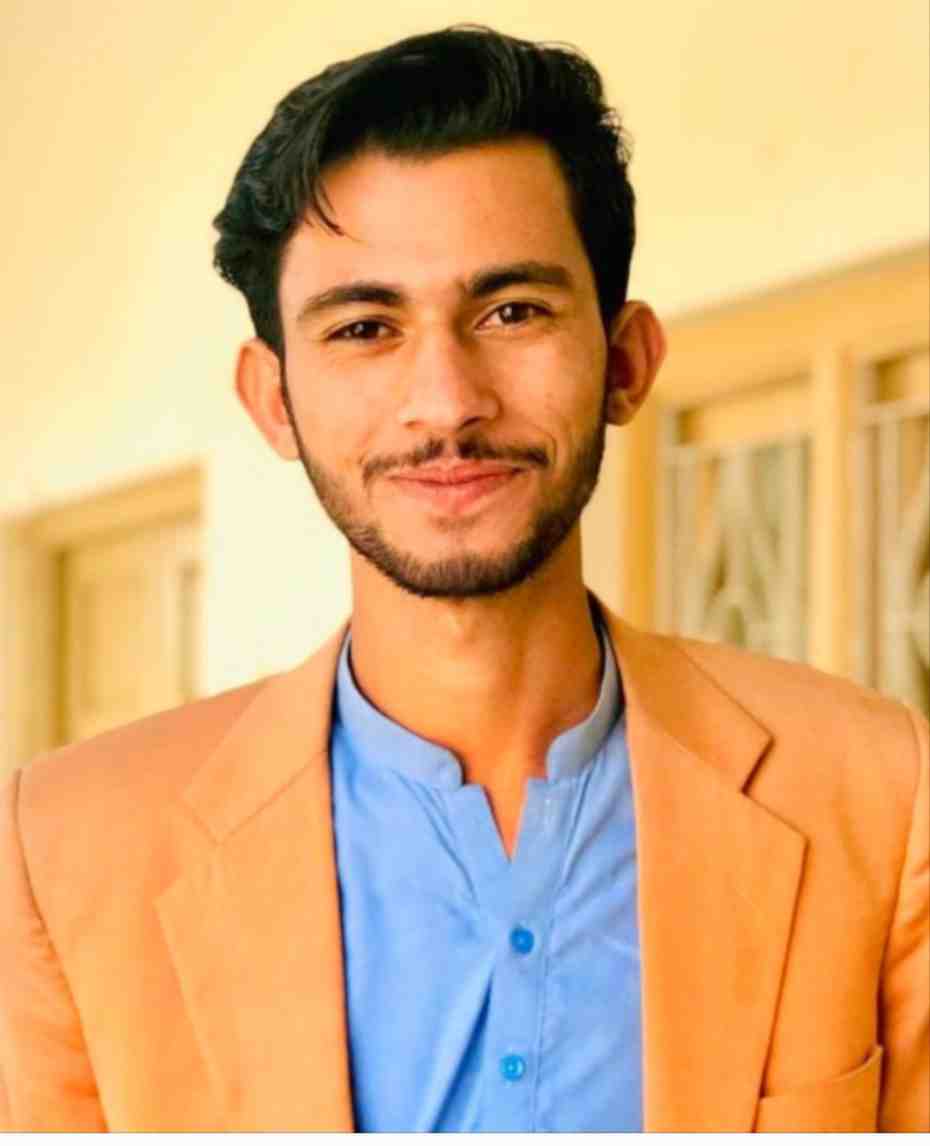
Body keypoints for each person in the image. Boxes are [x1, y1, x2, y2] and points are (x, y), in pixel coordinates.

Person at [0, 24, 926, 1134]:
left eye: (512, 312)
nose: (446, 402)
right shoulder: (69, 850)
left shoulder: (878, 794)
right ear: (274, 401)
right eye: (365, 328)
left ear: (626, 360)